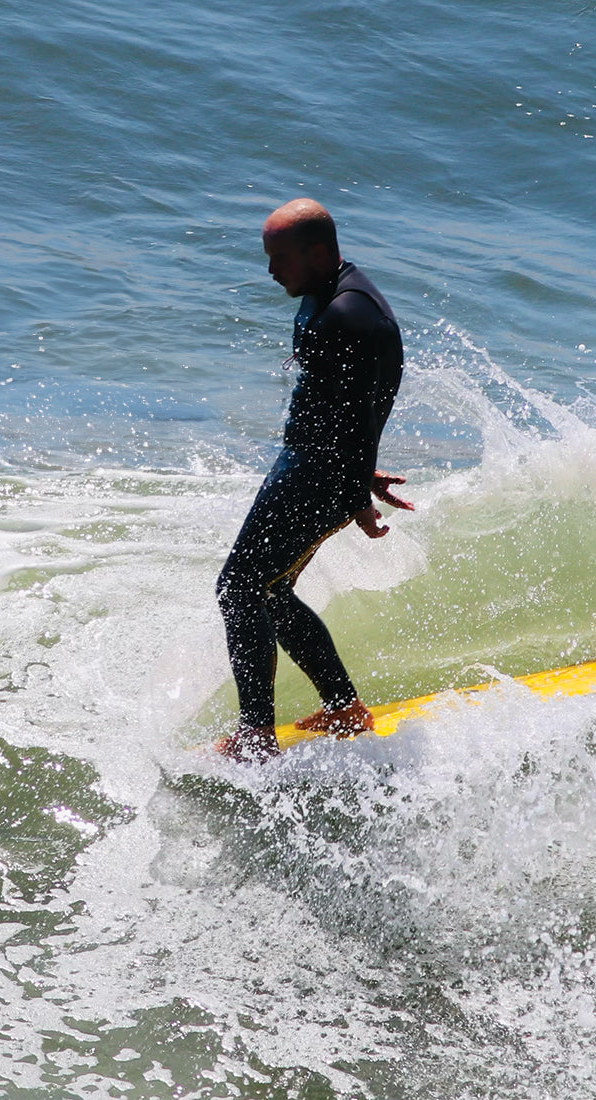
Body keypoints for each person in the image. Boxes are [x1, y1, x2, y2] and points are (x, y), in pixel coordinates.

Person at [215, 198, 413, 763]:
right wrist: (361, 471)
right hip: (311, 464)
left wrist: (354, 491)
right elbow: (347, 407)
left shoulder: (350, 315)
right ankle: (343, 708)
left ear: (319, 252)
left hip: (316, 475)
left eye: (280, 258)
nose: (271, 270)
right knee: (268, 591)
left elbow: (367, 407)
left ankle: (256, 737)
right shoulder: (326, 295)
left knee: (239, 589)